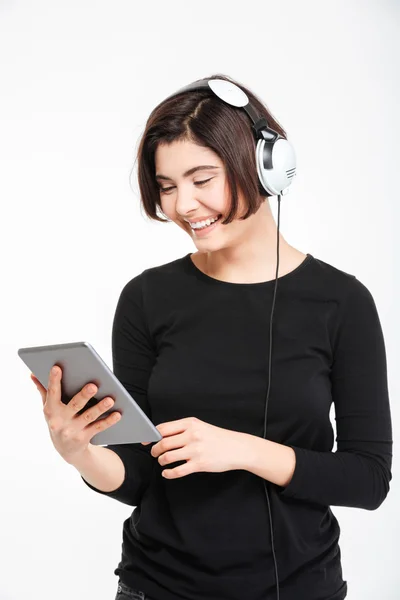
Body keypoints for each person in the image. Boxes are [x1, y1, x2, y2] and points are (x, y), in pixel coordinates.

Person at [35, 73, 393, 600]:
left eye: (202, 179)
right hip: (155, 588)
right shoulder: (147, 298)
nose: (183, 206)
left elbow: (367, 480)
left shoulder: (342, 303)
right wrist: (80, 452)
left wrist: (243, 450)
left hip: (296, 589)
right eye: (167, 186)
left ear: (265, 165)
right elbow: (139, 478)